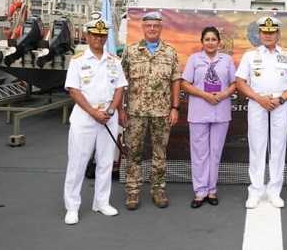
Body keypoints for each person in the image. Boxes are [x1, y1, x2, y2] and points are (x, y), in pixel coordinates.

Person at [63, 15, 127, 225]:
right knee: (78, 163)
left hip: (108, 116)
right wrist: (93, 112)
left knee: (106, 162)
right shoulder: (78, 61)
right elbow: (74, 90)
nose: (99, 39)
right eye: (95, 35)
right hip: (85, 118)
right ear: (87, 36)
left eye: (102, 35)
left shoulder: (114, 61)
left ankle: (101, 202)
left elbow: (119, 88)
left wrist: (109, 110)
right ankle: (72, 207)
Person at [235, 16, 287, 209]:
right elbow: (240, 82)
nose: (268, 35)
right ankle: (255, 191)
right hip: (258, 103)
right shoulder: (250, 55)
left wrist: (281, 99)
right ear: (259, 34)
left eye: (271, 32)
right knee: (257, 147)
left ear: (278, 34)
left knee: (278, 147)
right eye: (264, 32)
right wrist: (259, 99)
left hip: (280, 103)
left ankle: (274, 191)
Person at [121, 11, 182, 210]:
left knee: (159, 152)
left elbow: (175, 81)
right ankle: (133, 191)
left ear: (161, 27)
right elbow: (121, 83)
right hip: (135, 111)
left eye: (156, 25)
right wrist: (122, 109)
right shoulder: (130, 52)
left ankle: (158, 189)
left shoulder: (170, 52)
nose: (152, 29)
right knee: (134, 152)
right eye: (149, 26)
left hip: (162, 112)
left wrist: (174, 107)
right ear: (143, 28)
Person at [180, 26, 237, 208]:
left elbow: (235, 83)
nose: (210, 42)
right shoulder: (194, 59)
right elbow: (184, 84)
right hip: (199, 110)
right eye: (207, 39)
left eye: (214, 39)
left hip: (220, 110)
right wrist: (204, 95)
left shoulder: (226, 60)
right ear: (202, 42)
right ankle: (200, 191)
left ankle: (212, 190)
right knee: (199, 154)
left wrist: (222, 95)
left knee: (215, 152)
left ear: (219, 42)